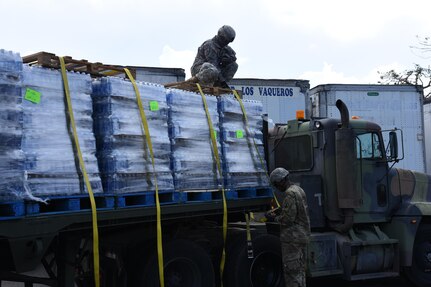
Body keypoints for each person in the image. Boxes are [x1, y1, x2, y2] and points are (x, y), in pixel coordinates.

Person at [266, 167, 311, 287]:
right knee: (300, 274)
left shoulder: (290, 194)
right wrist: (279, 210)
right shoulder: (298, 190)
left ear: (281, 181)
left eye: (276, 184)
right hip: (301, 238)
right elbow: (296, 209)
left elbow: (288, 219)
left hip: (292, 240)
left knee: (292, 274)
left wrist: (274, 218)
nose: (276, 187)